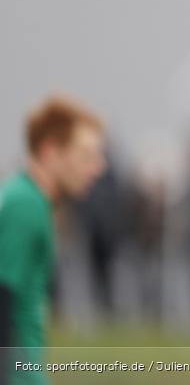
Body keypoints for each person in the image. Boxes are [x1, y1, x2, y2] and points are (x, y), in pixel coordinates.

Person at [0, 96, 106, 385]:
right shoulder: (25, 204)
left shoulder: (33, 201)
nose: (98, 168)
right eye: (86, 156)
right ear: (50, 152)